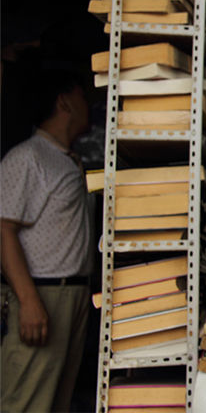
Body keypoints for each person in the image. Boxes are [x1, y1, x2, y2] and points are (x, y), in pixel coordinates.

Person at [1, 69, 92, 412]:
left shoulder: (66, 160)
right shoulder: (28, 157)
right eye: (83, 95)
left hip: (72, 295)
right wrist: (29, 301)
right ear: (64, 101)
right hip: (42, 294)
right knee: (26, 402)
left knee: (57, 403)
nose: (90, 103)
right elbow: (3, 230)